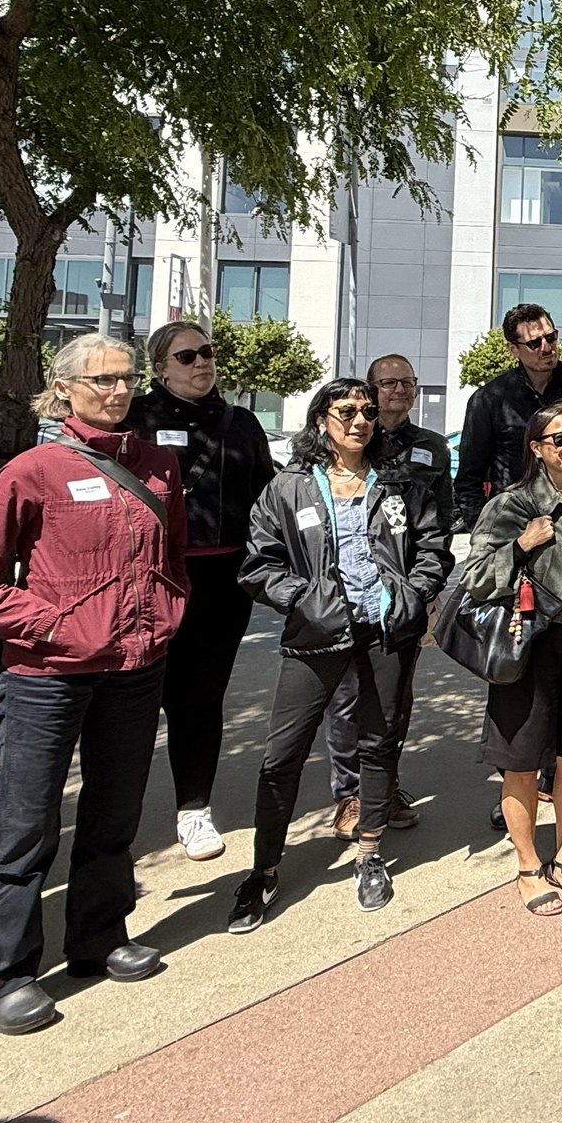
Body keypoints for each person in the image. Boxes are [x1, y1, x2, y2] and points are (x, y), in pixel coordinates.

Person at [0, 334, 188, 1035]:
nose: (119, 390)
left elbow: (172, 556)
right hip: (47, 678)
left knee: (115, 816)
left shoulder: (159, 464)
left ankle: (99, 937)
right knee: (24, 826)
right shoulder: (33, 470)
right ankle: (5, 972)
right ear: (64, 391)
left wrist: (169, 612)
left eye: (126, 378)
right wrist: (55, 625)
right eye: (102, 380)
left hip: (136, 671)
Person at [226, 379, 450, 931]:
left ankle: (369, 853)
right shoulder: (289, 487)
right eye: (347, 410)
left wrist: (412, 595)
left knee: (380, 743)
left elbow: (433, 547)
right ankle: (264, 870)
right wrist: (306, 601)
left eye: (369, 412)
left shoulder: (400, 484)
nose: (360, 421)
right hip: (316, 635)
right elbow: (258, 564)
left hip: (386, 631)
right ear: (321, 417)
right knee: (283, 756)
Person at [457, 404, 562, 917]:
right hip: (529, 644)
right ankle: (529, 865)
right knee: (523, 761)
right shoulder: (512, 504)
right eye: (559, 439)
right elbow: (475, 577)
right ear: (536, 448)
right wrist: (520, 545)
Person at [124, 319, 276, 862]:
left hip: (221, 582)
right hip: (151, 577)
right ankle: (119, 817)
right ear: (161, 365)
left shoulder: (240, 423)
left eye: (207, 353)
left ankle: (194, 808)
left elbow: (268, 495)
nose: (202, 363)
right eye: (187, 356)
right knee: (137, 697)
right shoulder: (135, 418)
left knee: (200, 698)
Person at [322, 351, 452, 838]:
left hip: (405, 598)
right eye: (387, 383)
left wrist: (427, 592)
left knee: (395, 698)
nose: (398, 390)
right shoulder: (350, 443)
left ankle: (384, 785)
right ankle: (350, 794)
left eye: (407, 382)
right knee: (347, 697)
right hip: (346, 597)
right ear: (369, 390)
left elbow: (440, 521)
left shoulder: (432, 447)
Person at [455, 305, 562, 530]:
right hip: (513, 524)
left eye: (551, 337)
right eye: (534, 343)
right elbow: (469, 477)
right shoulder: (489, 399)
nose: (546, 348)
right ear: (514, 349)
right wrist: (484, 533)